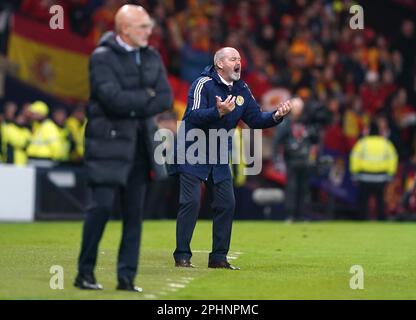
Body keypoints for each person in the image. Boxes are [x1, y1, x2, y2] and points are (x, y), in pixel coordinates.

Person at [74, 5, 173, 292]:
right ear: (124, 29)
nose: (149, 31)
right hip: (108, 144)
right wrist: (145, 98)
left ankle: (126, 278)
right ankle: (85, 273)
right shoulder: (102, 57)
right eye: (142, 26)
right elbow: (111, 99)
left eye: (148, 26)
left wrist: (136, 103)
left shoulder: (152, 56)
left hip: (140, 146)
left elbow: (164, 98)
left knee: (133, 216)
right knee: (101, 208)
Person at [171, 47, 292, 270]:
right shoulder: (202, 84)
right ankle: (182, 255)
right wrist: (218, 112)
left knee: (227, 203)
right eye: (233, 58)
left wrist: (276, 116)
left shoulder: (242, 89)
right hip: (192, 149)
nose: (239, 61)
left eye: (239, 58)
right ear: (219, 64)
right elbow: (192, 115)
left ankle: (218, 258)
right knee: (191, 202)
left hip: (218, 153)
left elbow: (255, 119)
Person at [272, 97, 318, 221]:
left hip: (305, 160)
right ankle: (290, 215)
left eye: (300, 107)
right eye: (296, 107)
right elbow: (276, 142)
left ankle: (301, 214)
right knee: (291, 188)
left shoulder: (307, 123)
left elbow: (315, 140)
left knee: (304, 189)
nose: (298, 110)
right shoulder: (285, 124)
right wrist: (276, 160)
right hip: (291, 160)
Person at [350, 122, 398, 220]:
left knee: (363, 201)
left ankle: (361, 220)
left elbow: (354, 157)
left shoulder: (362, 143)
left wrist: (354, 174)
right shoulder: (385, 143)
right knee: (380, 201)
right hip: (381, 178)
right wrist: (390, 174)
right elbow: (393, 158)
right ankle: (381, 220)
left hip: (364, 177)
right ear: (379, 132)